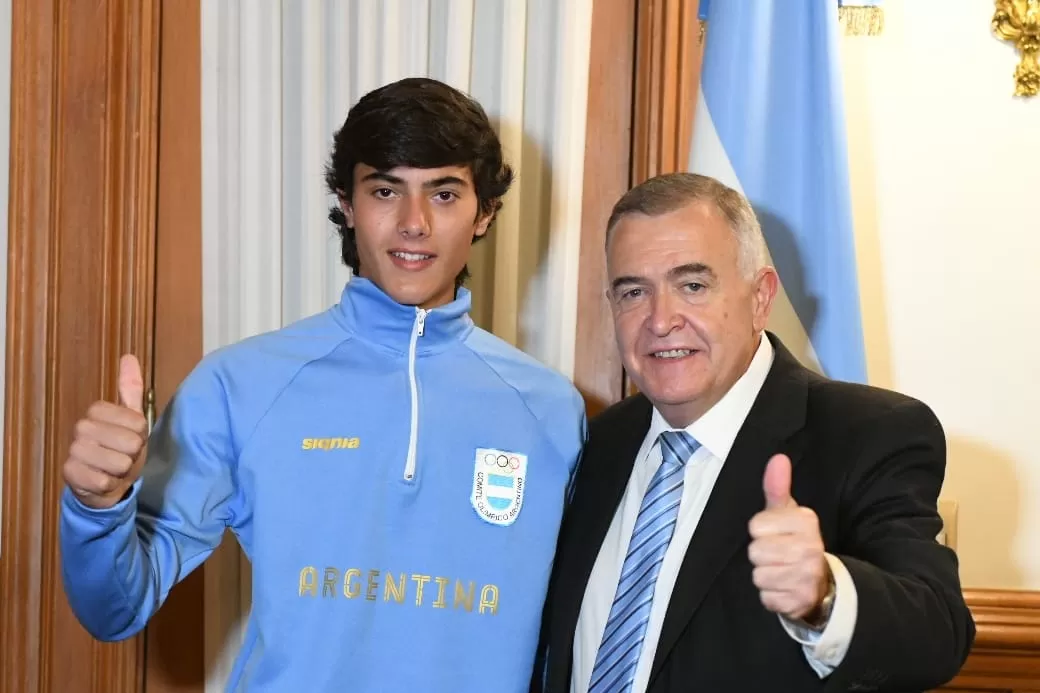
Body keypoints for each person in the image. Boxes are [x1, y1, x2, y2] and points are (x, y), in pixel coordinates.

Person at [60, 77, 586, 692]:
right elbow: (114, 609)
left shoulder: (552, 410)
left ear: (484, 212)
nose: (413, 223)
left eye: (444, 194)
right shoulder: (241, 385)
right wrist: (98, 509)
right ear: (346, 202)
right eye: (386, 190)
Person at [534, 172, 975, 693]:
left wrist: (823, 594)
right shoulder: (598, 443)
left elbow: (937, 632)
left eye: (692, 285)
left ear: (761, 298)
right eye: (634, 291)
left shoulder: (867, 434)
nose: (660, 319)